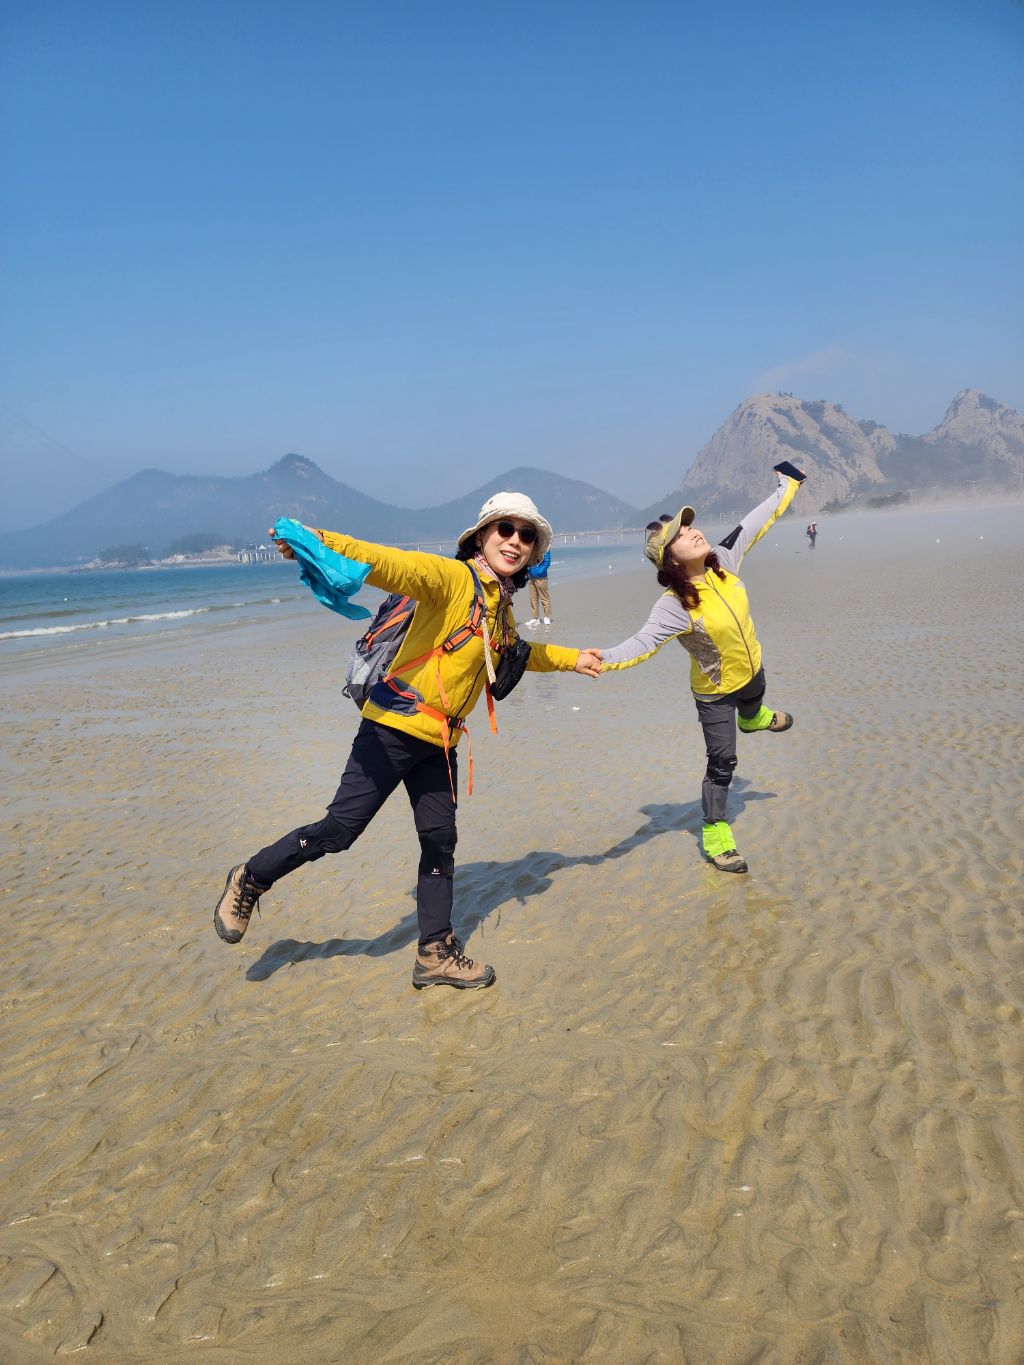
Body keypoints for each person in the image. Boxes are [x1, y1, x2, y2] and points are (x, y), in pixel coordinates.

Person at [212, 492, 602, 990]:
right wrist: (317, 540)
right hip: (392, 729)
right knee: (340, 831)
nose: (516, 541)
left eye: (527, 535)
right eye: (505, 529)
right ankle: (250, 877)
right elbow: (387, 563)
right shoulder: (452, 579)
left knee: (439, 841)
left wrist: (574, 659)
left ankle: (434, 954)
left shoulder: (499, 605)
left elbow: (518, 654)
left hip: (440, 742)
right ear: (480, 537)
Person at [596, 463, 806, 874]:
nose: (692, 532)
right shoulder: (674, 605)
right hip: (715, 693)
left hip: (753, 670)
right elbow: (641, 643)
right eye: (680, 535)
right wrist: (599, 659)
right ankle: (715, 833)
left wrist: (789, 485)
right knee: (723, 762)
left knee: (755, 699)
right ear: (669, 560)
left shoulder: (723, 560)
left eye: (690, 526)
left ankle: (754, 718)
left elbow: (756, 520)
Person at [524, 546, 554, 626]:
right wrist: (528, 571)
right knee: (533, 597)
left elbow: (547, 562)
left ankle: (547, 616)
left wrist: (539, 572)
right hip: (531, 576)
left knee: (544, 597)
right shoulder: (531, 546)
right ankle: (535, 618)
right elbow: (527, 560)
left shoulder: (545, 547)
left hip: (541, 577)